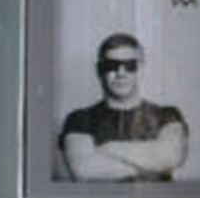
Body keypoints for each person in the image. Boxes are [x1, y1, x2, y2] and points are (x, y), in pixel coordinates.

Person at [58, 32, 188, 181]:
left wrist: (107, 148)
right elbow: (83, 170)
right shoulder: (79, 119)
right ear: (99, 69)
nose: (121, 72)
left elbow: (170, 157)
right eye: (111, 65)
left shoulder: (166, 115)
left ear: (140, 68)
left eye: (129, 65)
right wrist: (153, 164)